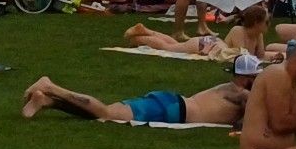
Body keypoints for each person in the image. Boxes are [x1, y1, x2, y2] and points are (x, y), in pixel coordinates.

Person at [22, 53, 261, 123]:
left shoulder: (229, 87)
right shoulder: (242, 94)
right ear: (248, 78)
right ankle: (51, 87)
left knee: (104, 117)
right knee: (106, 113)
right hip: (173, 109)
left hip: (172, 105)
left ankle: (46, 100)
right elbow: (252, 121)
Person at [125, 4, 274, 60]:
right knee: (171, 48)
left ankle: (145, 31)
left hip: (211, 46)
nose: (268, 25)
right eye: (266, 22)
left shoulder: (257, 35)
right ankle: (140, 39)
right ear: (256, 23)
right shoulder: (238, 31)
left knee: (176, 45)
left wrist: (277, 56)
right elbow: (242, 57)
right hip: (209, 45)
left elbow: (260, 56)